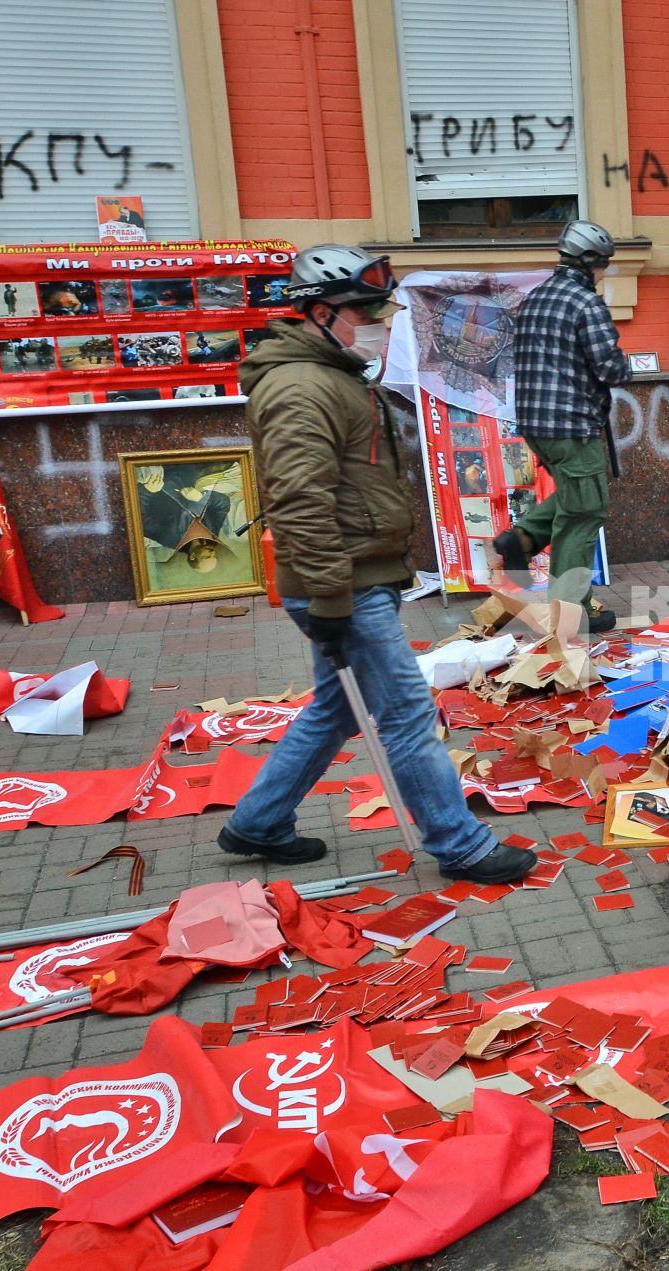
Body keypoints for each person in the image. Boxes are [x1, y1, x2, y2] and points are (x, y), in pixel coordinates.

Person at [217, 244, 534, 883]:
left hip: (355, 578)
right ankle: (460, 845)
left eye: (379, 310)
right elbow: (300, 501)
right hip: (345, 586)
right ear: (319, 313)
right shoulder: (299, 387)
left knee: (335, 708)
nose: (378, 322)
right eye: (364, 311)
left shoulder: (332, 375)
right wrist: (332, 602)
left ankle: (258, 822)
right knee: (407, 715)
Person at [493, 221, 630, 632]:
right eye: (603, 266)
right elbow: (609, 367)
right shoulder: (586, 303)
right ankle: (569, 611)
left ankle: (522, 540)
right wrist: (627, 367)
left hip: (535, 423)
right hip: (572, 424)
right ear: (591, 263)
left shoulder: (535, 299)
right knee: (585, 512)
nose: (604, 273)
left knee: (577, 495)